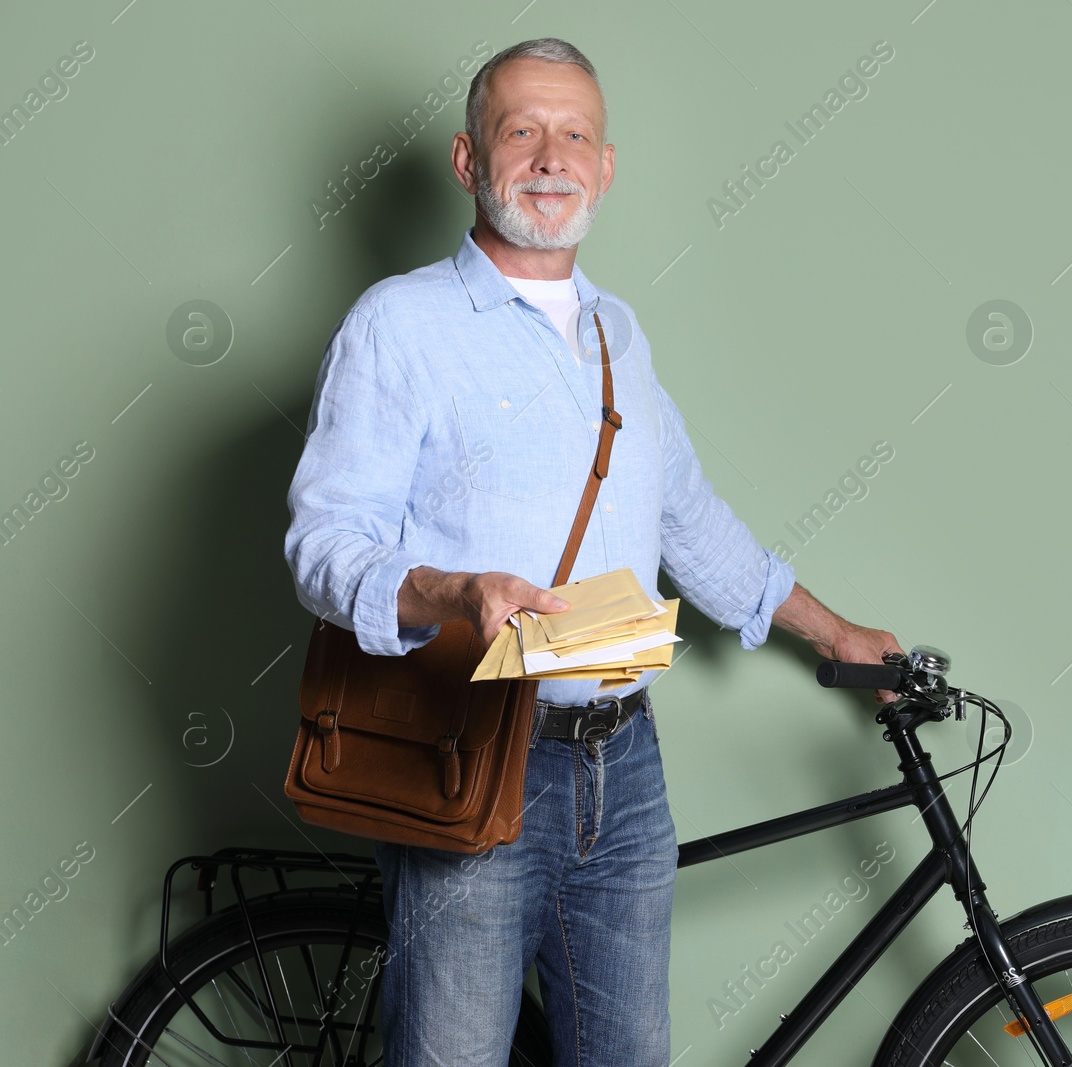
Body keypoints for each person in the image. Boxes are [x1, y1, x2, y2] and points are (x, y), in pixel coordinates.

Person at [283, 36, 901, 1067]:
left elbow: (684, 518)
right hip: (473, 749)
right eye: (519, 129)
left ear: (605, 166)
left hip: (627, 765)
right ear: (468, 159)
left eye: (573, 132)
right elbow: (321, 544)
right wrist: (451, 587)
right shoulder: (399, 326)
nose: (549, 154)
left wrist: (839, 634)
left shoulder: (618, 333)